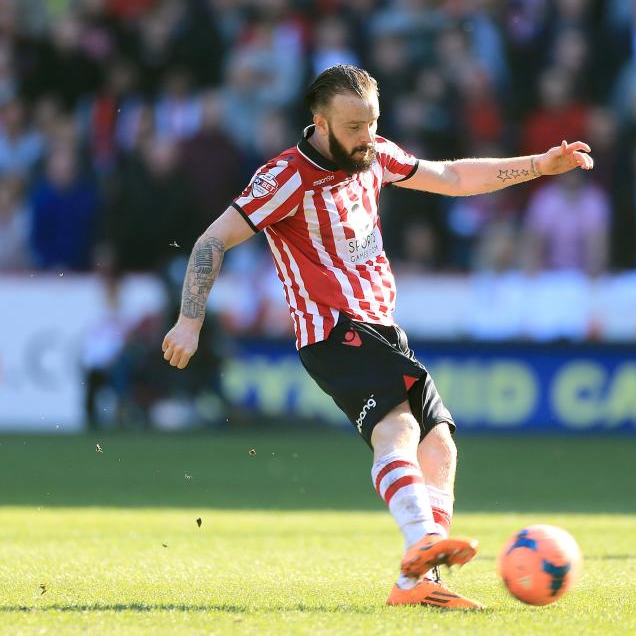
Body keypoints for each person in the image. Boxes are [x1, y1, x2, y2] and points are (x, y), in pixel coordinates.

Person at [160, 64, 593, 610]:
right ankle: (425, 544)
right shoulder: (285, 177)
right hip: (331, 329)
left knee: (439, 444)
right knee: (399, 426)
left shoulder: (374, 154)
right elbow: (212, 240)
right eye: (353, 127)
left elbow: (453, 178)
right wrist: (190, 319)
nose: (367, 137)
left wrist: (539, 165)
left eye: (372, 123)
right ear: (319, 122)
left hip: (382, 326)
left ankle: (417, 585)